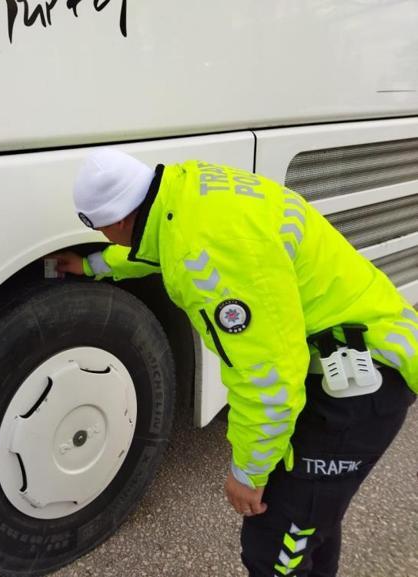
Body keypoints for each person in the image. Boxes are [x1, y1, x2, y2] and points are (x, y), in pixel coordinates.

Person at [53, 148, 417, 577]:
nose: (106, 239)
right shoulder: (186, 192)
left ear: (116, 220)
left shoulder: (209, 254)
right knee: (311, 522)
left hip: (361, 385)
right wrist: (95, 264)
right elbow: (157, 247)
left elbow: (268, 377)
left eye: (99, 232)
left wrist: (248, 473)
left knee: (274, 548)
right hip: (359, 346)